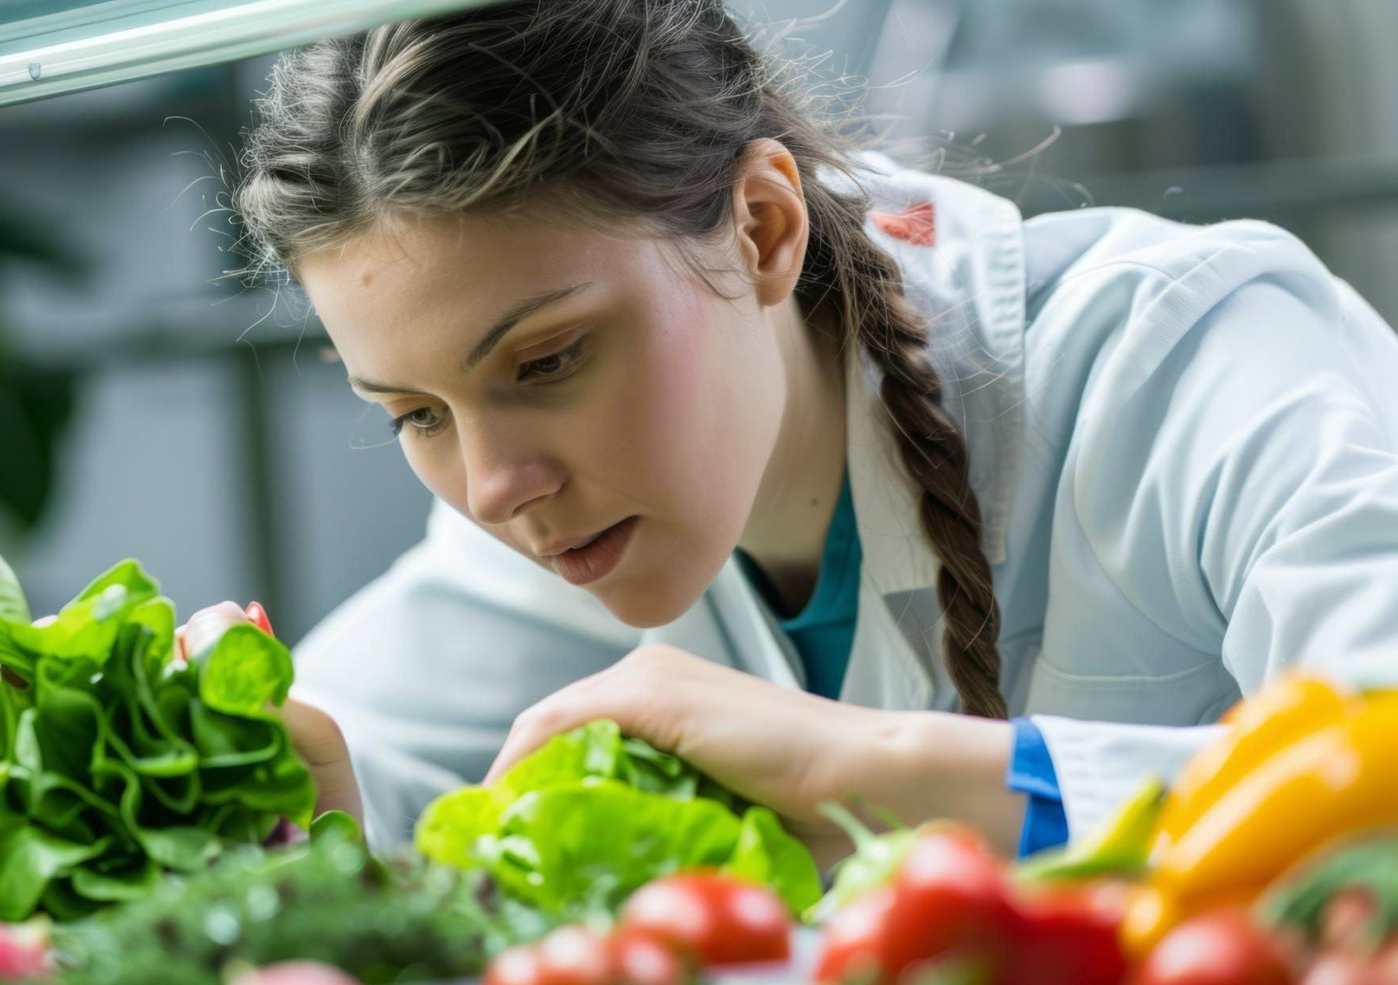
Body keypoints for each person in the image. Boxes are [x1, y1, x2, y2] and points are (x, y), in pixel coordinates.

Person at [182, 0, 1398, 864]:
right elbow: (363, 762)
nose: (495, 486)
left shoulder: (1181, 355)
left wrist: (889, 772)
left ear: (760, 228)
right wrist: (282, 796)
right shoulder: (542, 522)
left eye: (548, 361)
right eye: (414, 414)